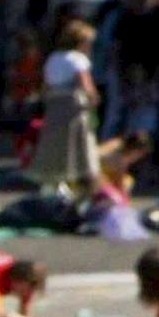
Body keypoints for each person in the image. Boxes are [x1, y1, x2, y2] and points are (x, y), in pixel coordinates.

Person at [34, 17, 101, 196]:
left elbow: (45, 86)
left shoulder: (53, 58)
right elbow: (86, 86)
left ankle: (52, 185)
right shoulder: (78, 59)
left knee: (55, 146)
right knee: (78, 148)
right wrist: (94, 101)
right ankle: (85, 188)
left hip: (54, 107)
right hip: (73, 107)